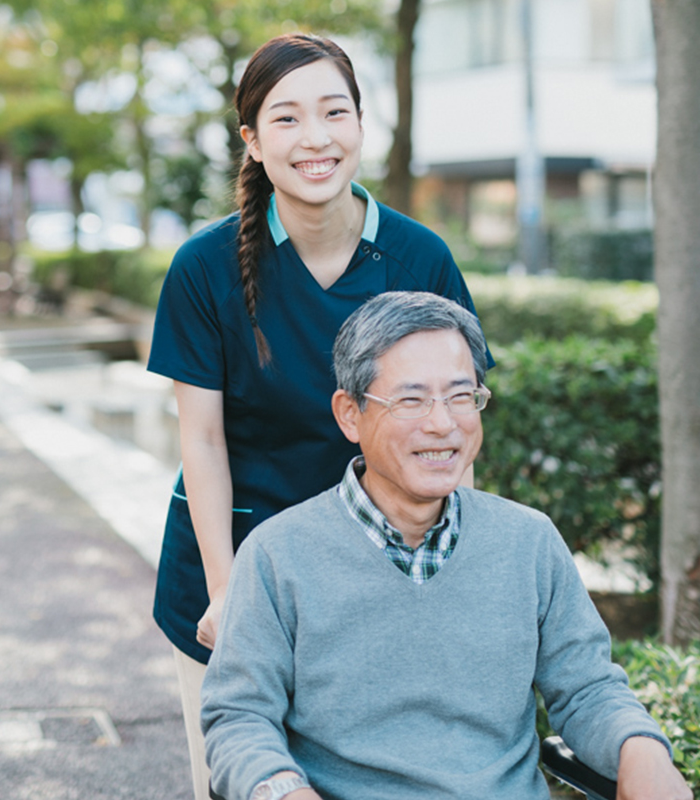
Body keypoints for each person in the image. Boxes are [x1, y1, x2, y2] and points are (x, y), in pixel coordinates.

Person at [145, 34, 490, 800]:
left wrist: (450, 573)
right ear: (253, 141)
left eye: (335, 112)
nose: (316, 138)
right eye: (288, 118)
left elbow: (452, 425)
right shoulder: (204, 268)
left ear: (362, 125)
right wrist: (227, 592)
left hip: (375, 572)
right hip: (231, 560)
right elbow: (200, 439)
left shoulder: (418, 257)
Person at [201, 292, 693, 800]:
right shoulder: (279, 555)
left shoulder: (528, 542)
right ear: (350, 414)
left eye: (461, 396)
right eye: (411, 400)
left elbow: (588, 690)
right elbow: (239, 717)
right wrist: (281, 791)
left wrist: (643, 752)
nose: (442, 423)